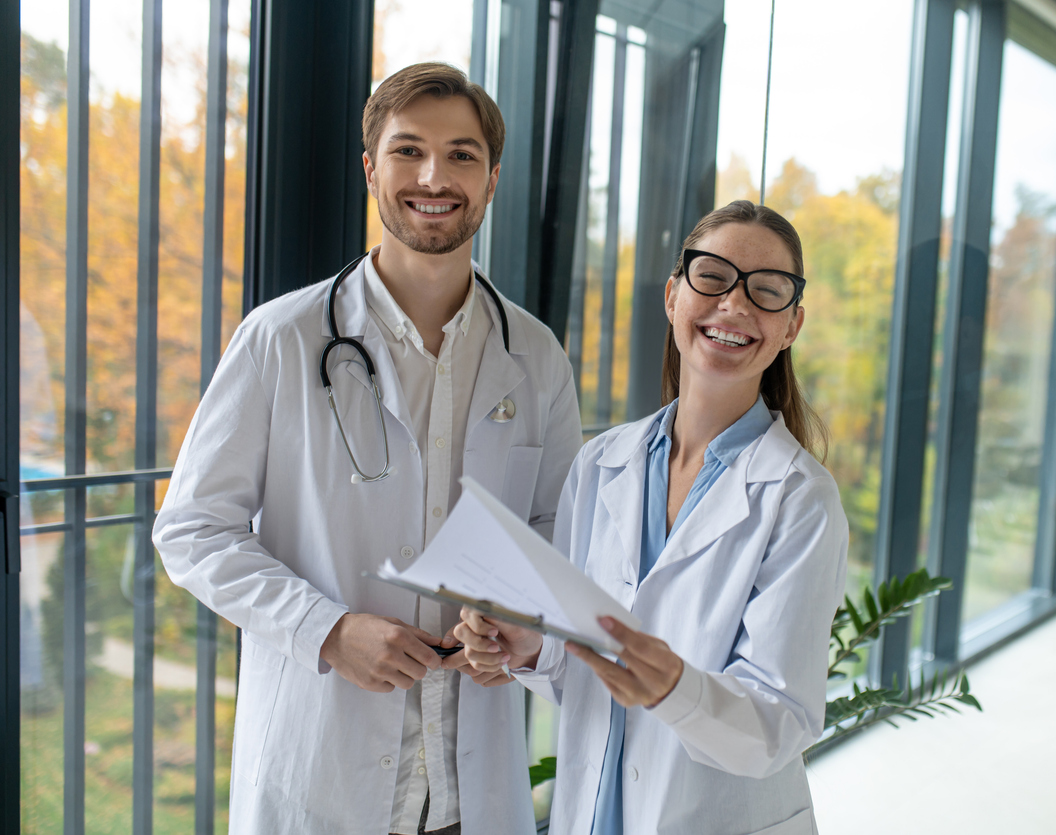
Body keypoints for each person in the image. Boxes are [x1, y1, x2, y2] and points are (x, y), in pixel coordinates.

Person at [152, 63, 582, 835]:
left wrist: (518, 623)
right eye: (407, 150)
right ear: (370, 169)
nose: (433, 176)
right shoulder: (281, 339)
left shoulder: (537, 356)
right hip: (322, 778)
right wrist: (326, 629)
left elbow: (555, 532)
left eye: (461, 155)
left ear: (490, 180)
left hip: (466, 791)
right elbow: (190, 531)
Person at [456, 200, 850, 834]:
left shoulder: (799, 498)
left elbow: (780, 724)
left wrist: (676, 689)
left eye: (767, 292)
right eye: (713, 277)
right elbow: (582, 667)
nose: (735, 305)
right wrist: (529, 646)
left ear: (791, 326)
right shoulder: (601, 462)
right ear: (673, 296)